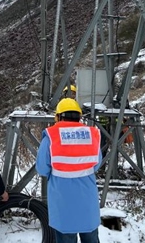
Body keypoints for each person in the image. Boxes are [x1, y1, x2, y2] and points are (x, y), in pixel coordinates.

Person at [36, 98, 102, 243]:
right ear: (79, 116)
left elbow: (42, 168)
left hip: (63, 203)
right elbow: (96, 164)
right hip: (87, 202)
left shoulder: (52, 137)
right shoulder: (91, 135)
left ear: (58, 117)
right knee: (91, 237)